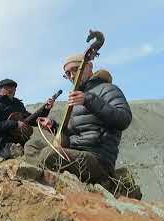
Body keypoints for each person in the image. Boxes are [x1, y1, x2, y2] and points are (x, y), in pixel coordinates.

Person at [25, 53, 132, 191]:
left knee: (48, 154)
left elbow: (124, 119)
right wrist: (53, 125)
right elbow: (73, 132)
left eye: (75, 69)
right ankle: (49, 179)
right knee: (32, 146)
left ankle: (51, 182)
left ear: (89, 66)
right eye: (67, 74)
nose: (71, 76)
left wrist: (89, 100)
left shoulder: (108, 89)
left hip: (97, 159)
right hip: (73, 151)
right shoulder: (78, 98)